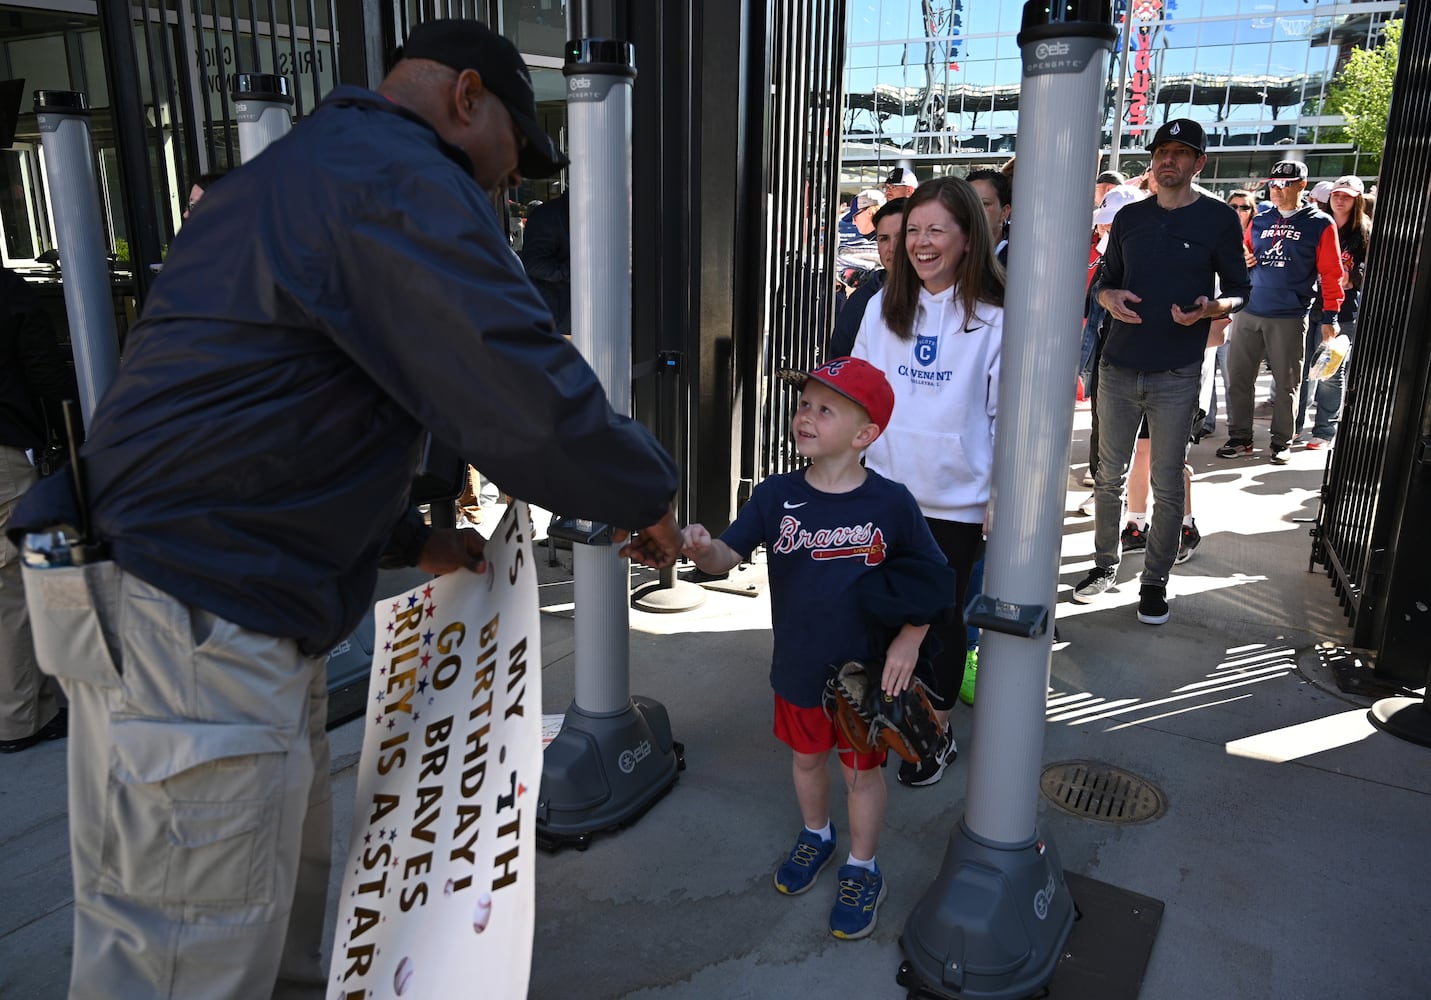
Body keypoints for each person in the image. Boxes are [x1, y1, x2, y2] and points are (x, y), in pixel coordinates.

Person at [8, 20, 682, 998]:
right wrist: (647, 493)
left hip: (183, 592)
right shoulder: (392, 175)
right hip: (199, 611)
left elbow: (272, 410)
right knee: (186, 952)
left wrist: (408, 535)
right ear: (465, 96)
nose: (505, 187)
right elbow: (522, 398)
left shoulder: (301, 170)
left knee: (247, 917)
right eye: (511, 160)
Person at [680, 357, 948, 941]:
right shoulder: (775, 495)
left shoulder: (892, 503)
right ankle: (817, 834)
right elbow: (726, 556)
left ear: (864, 435)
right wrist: (700, 548)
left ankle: (862, 866)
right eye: (804, 404)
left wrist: (910, 637)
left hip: (866, 682)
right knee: (804, 761)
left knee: (861, 774)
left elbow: (935, 575)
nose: (805, 415)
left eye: (825, 409)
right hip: (800, 668)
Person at [851, 176, 1004, 784]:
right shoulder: (881, 305)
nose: (922, 242)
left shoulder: (994, 317)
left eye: (937, 229)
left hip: (956, 500)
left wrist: (997, 497)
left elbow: (1003, 416)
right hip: (885, 492)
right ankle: (890, 715)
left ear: (969, 237)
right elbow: (860, 395)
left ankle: (933, 733)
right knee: (881, 613)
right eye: (913, 230)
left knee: (940, 625)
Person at [1073, 118, 1248, 625]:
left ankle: (1154, 582)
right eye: (1161, 151)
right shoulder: (1129, 219)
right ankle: (1105, 564)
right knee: (1108, 478)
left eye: (1180, 152)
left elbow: (1240, 289)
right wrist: (1108, 296)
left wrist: (1211, 308)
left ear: (1199, 163)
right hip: (1119, 366)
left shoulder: (1217, 219)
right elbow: (1104, 282)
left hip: (1176, 371)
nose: (1168, 160)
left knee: (1168, 483)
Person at [1218, 159, 1343, 465]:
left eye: (1285, 184)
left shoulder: (1320, 222)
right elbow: (1245, 250)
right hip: (1251, 308)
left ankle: (1281, 441)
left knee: (1288, 384)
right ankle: (1240, 437)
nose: (1277, 189)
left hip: (1289, 313)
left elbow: (1331, 272)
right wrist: (1243, 261)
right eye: (1273, 183)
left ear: (1302, 186)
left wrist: (1330, 317)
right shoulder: (1260, 217)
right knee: (1238, 378)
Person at [0, 265, 75, 753]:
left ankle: (37, 700)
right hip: (7, 450)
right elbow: (43, 371)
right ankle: (20, 718)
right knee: (19, 586)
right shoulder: (9, 293)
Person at [1295, 174, 1370, 450]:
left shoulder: (1364, 231)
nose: (1339, 199)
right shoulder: (1318, 224)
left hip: (1343, 309)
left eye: (1346, 196)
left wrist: (1354, 279)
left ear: (1357, 200)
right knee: (1301, 369)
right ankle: (1294, 425)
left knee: (1330, 370)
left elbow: (1372, 270)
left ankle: (1325, 430)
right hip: (1310, 304)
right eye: (1337, 194)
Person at [828, 197, 905, 359]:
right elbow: (840, 365)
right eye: (883, 238)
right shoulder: (861, 302)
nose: (892, 248)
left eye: (901, 236)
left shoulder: (949, 300)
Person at [521, 187, 571, 336]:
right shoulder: (549, 215)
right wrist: (574, 270)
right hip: (559, 322)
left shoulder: (594, 215)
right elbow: (533, 264)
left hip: (577, 319)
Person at [966, 168, 1012, 266]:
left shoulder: (1021, 257)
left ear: (1004, 212)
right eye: (968, 203)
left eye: (984, 204)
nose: (974, 210)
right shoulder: (950, 253)